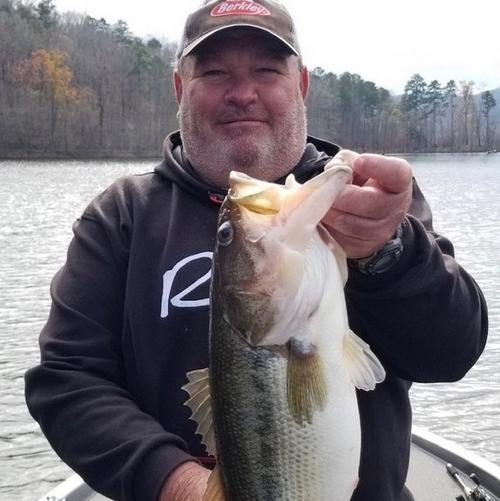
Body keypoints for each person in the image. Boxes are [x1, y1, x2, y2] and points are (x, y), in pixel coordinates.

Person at [25, 1, 488, 500]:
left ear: (301, 85)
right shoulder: (122, 217)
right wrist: (175, 483)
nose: (242, 93)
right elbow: (66, 380)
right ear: (181, 88)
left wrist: (386, 252)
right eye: (216, 72)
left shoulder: (366, 196)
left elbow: (451, 355)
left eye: (267, 70)